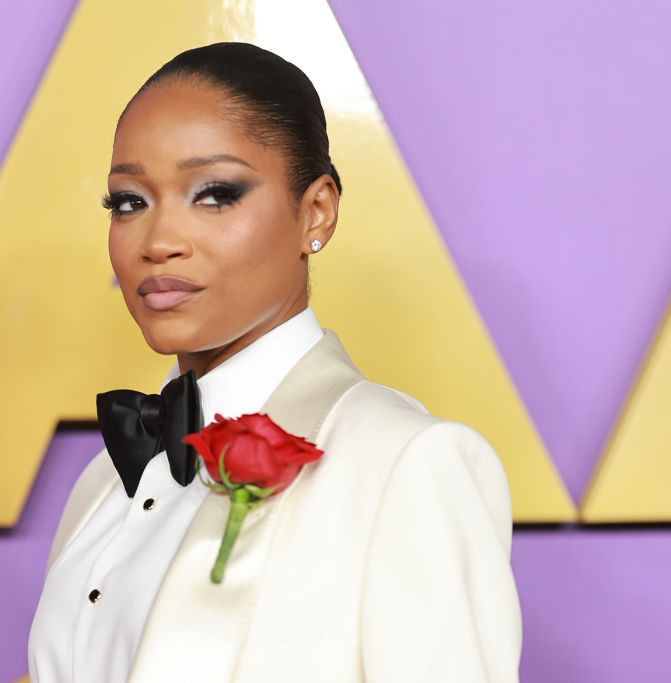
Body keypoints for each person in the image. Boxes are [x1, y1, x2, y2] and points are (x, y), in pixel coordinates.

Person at [28, 42, 521, 683]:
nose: (159, 242)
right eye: (129, 201)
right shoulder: (105, 481)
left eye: (214, 193)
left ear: (316, 210)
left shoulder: (403, 462)